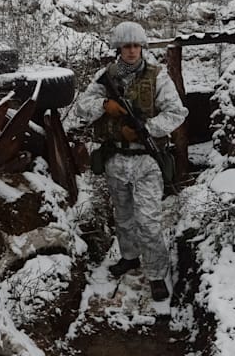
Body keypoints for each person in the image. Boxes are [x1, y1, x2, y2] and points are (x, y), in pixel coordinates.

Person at [75, 21, 188, 301]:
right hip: (116, 158)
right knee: (123, 217)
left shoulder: (157, 77)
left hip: (146, 159)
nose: (132, 51)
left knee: (148, 221)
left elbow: (176, 112)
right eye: (127, 46)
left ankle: (156, 273)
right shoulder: (106, 76)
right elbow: (81, 107)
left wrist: (145, 129)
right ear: (119, 48)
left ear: (142, 47)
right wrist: (104, 106)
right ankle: (129, 257)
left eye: (136, 45)